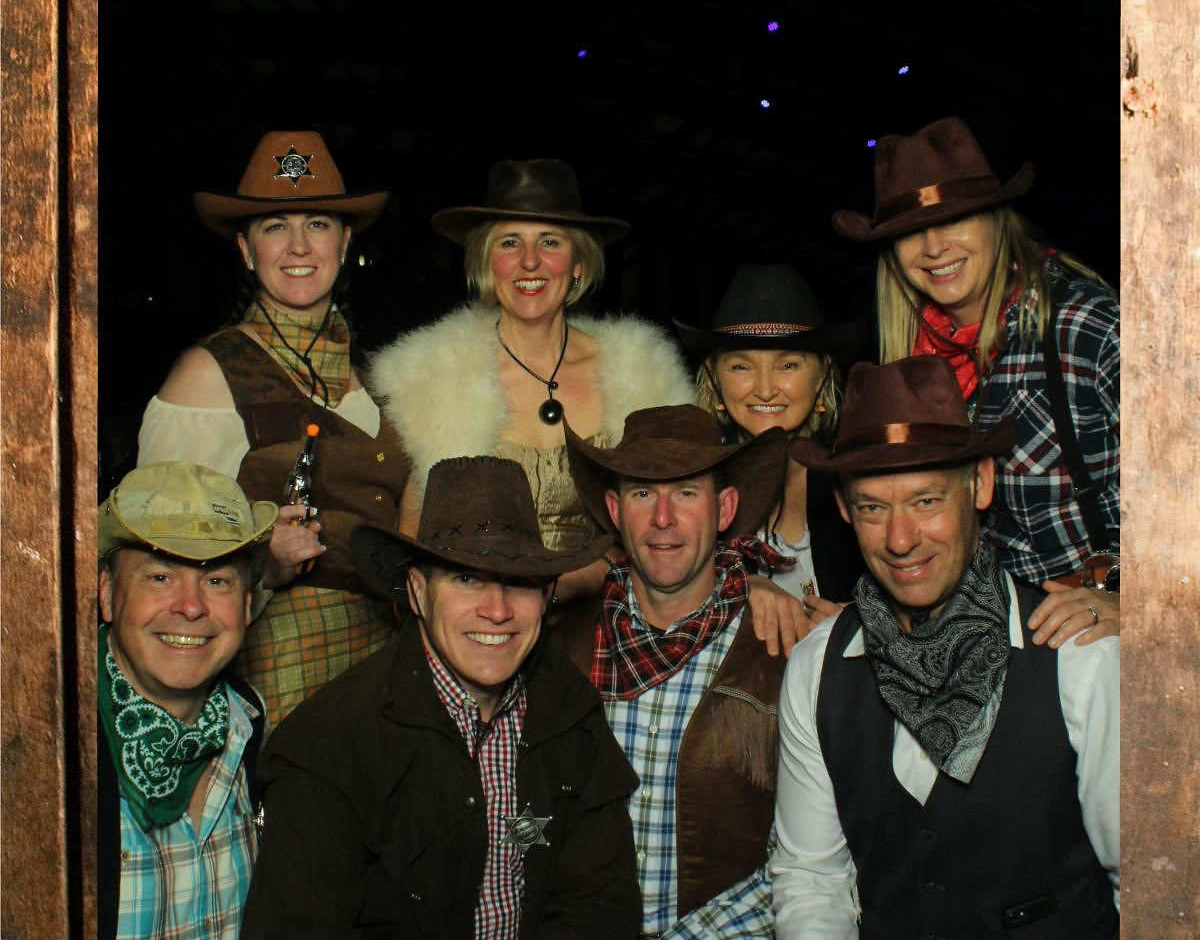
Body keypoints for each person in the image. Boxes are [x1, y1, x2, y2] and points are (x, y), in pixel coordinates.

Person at [240, 456, 643, 940]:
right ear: (418, 591)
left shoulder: (569, 712)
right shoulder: (334, 739)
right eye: (466, 579)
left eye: (519, 583)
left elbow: (598, 904)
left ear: (548, 596)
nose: (497, 609)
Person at [772, 357, 1119, 940]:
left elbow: (1143, 879)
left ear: (981, 485)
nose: (901, 539)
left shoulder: (1078, 655)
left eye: (927, 500)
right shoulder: (818, 668)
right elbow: (810, 876)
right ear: (843, 511)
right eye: (873, 508)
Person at [557, 405, 834, 940]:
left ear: (727, 507)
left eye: (687, 492)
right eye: (642, 494)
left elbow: (821, 853)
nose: (664, 518)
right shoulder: (564, 647)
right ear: (614, 510)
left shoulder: (787, 646)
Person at [137, 130, 411, 730]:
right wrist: (265, 565)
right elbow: (156, 567)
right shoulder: (207, 375)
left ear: (344, 242)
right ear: (245, 249)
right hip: (281, 670)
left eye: (318, 224)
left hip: (394, 666)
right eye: (274, 226)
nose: (298, 246)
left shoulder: (382, 376)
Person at [834, 116, 1120, 648]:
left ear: (997, 219)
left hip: (1088, 643)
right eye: (911, 231)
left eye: (955, 219)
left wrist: (1141, 601)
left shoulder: (1083, 326)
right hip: (981, 647)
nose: (933, 247)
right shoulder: (907, 360)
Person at [368, 158, 691, 600]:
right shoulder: (431, 376)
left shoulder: (644, 376)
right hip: (479, 619)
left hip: (611, 615)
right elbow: (413, 534)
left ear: (578, 263)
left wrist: (576, 584)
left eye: (550, 241)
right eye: (510, 243)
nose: (530, 261)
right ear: (487, 262)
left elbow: (675, 526)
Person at [97, 461, 277, 940]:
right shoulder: (49, 742)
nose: (191, 606)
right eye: (160, 575)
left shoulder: (253, 734)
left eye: (218, 580)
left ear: (248, 604)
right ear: (106, 593)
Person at [679, 262, 863, 614]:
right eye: (741, 366)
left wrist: (857, 624)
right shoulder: (690, 490)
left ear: (822, 378)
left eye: (788, 365)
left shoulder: (857, 482)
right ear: (715, 383)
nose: (765, 390)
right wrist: (736, 584)